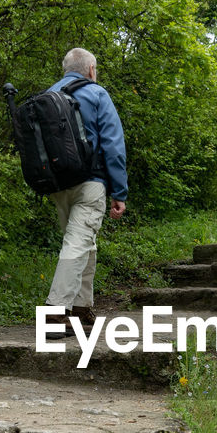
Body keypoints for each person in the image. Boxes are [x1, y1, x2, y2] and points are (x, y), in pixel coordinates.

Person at [44, 47, 127, 331]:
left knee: (84, 243)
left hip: (57, 184)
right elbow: (113, 146)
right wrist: (120, 192)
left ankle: (80, 310)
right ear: (91, 69)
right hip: (90, 182)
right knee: (77, 243)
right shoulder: (96, 93)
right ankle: (54, 314)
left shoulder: (48, 96)